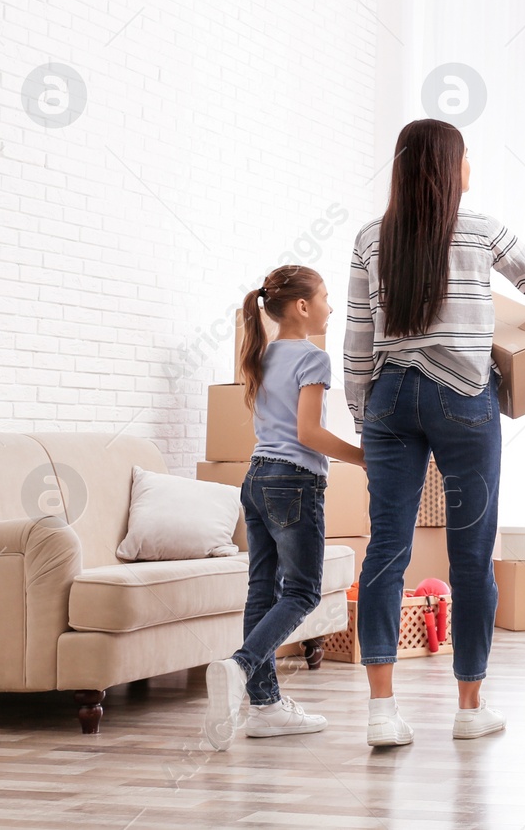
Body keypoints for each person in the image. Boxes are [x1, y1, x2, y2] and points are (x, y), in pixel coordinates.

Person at [344, 118, 525, 748]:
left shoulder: (370, 237)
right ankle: (470, 707)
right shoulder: (482, 229)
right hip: (463, 395)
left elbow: (358, 343)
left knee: (385, 550)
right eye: (467, 157)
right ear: (452, 168)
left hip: (390, 397)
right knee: (471, 555)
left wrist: (363, 422)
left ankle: (382, 711)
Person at [204, 265, 366, 750]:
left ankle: (266, 706)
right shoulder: (312, 358)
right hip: (293, 482)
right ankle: (241, 666)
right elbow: (309, 434)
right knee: (301, 593)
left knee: (262, 591)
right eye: (325, 297)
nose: (331, 307)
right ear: (301, 306)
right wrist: (365, 458)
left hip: (255, 480)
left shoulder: (263, 352)